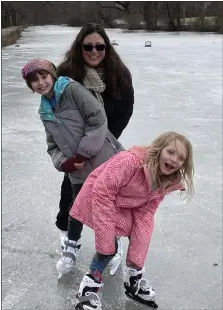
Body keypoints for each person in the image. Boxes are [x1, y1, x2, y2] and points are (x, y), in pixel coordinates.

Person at [65, 131, 194, 310]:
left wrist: (137, 257)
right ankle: (88, 289)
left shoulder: (167, 180)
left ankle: (133, 278)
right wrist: (106, 239)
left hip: (124, 204)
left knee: (141, 236)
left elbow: (146, 211)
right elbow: (102, 192)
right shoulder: (130, 161)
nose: (174, 160)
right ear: (159, 149)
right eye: (171, 152)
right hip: (96, 197)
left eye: (180, 158)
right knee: (109, 247)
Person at [21, 58, 124, 272]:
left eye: (44, 76)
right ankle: (72, 247)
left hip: (103, 161)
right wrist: (64, 163)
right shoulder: (44, 112)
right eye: (34, 80)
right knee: (76, 209)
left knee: (106, 207)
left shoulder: (71, 89)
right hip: (77, 170)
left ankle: (114, 245)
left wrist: (82, 154)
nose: (41, 82)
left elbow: (97, 117)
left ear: (52, 75)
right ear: (30, 86)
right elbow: (52, 146)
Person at [56, 23, 134, 268]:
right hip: (74, 145)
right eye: (88, 46)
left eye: (99, 46)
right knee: (71, 191)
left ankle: (113, 239)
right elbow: (54, 109)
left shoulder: (119, 74)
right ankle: (69, 237)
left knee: (108, 195)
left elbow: (125, 109)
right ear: (79, 47)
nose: (94, 51)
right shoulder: (65, 74)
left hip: (107, 144)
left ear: (106, 48)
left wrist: (102, 141)